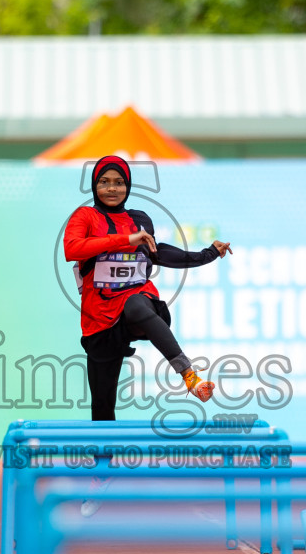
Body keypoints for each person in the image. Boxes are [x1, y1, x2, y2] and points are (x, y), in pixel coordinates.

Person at [62, 155, 232, 421]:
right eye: (104, 182)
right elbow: (72, 249)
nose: (112, 188)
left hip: (136, 308)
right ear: (95, 185)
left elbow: (158, 253)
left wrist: (207, 254)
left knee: (136, 302)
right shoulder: (85, 216)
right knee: (103, 405)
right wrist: (126, 239)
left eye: (119, 182)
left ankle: (189, 375)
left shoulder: (140, 219)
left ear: (128, 186)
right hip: (100, 320)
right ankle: (103, 460)